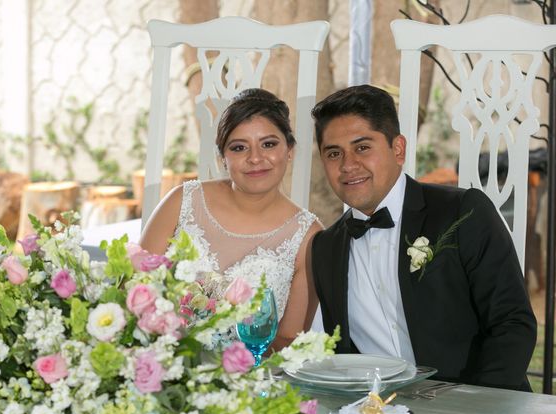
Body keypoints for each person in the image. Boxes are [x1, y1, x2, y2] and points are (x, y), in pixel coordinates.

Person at [310, 85, 536, 391]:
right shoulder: (326, 248)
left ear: (398, 149)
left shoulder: (462, 211)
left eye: (363, 147)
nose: (348, 165)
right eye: (334, 153)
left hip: (475, 411)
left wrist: (476, 411)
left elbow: (512, 323)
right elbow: (340, 353)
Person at [140, 88, 322, 350]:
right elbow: (135, 288)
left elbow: (288, 340)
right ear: (222, 158)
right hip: (161, 362)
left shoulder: (308, 237)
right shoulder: (182, 201)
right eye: (239, 148)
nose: (256, 158)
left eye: (269, 144)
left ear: (290, 150)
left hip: (248, 379)